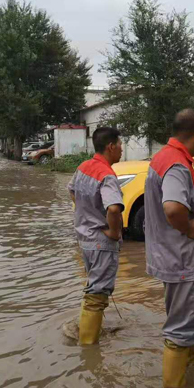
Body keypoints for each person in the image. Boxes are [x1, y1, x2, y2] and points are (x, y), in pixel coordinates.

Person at [144, 108, 194, 388]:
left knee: (185, 324)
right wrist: (189, 227)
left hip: (175, 259)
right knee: (179, 332)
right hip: (185, 262)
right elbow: (173, 208)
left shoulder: (163, 156)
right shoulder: (176, 164)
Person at [68, 127, 124, 345]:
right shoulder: (107, 174)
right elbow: (113, 209)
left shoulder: (84, 167)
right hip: (101, 242)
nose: (121, 149)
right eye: (120, 145)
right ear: (110, 147)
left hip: (85, 240)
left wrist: (87, 213)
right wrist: (113, 231)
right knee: (97, 295)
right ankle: (88, 347)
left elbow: (71, 190)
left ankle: (85, 332)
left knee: (92, 288)